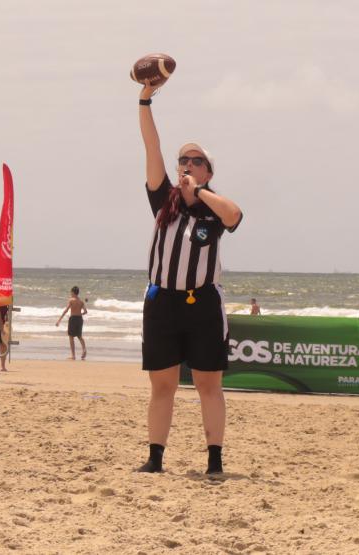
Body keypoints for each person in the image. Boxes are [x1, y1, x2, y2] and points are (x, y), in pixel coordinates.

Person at [136, 81, 243, 474]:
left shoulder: (213, 210)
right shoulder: (163, 199)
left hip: (203, 304)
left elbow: (235, 215)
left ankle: (214, 459)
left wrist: (200, 191)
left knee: (208, 385)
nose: (187, 164)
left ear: (208, 171)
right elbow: (151, 146)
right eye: (183, 159)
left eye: (196, 160)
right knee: (162, 385)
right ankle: (155, 458)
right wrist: (145, 100)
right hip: (162, 302)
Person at [56, 286, 88, 360]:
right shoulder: (81, 301)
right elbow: (85, 312)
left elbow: (66, 310)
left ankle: (73, 355)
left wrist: (59, 320)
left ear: (73, 292)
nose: (70, 293)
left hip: (73, 319)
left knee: (71, 337)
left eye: (71, 292)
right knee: (79, 336)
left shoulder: (71, 300)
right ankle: (84, 349)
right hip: (79, 319)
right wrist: (80, 314)